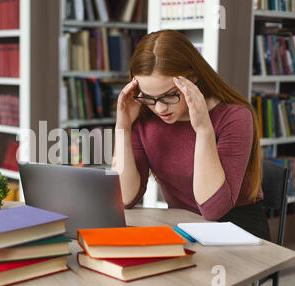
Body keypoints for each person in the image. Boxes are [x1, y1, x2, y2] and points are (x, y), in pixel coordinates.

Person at [111, 30, 270, 241]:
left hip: (237, 230)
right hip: (183, 226)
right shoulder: (144, 117)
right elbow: (124, 199)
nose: (159, 109)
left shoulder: (235, 117)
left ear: (193, 77)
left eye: (169, 95)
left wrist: (203, 129)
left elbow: (213, 210)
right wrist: (122, 128)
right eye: (149, 97)